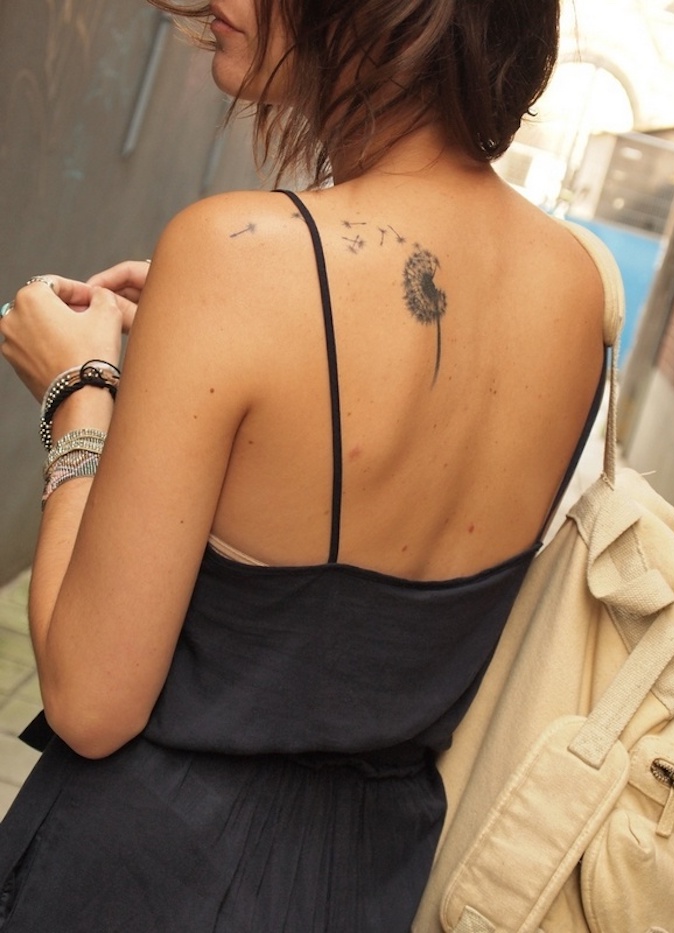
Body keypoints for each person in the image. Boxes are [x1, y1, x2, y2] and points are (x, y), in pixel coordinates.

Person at [0, 0, 606, 929]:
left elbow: (90, 699)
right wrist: (206, 341)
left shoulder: (236, 256)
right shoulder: (577, 288)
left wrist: (78, 391)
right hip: (369, 878)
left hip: (151, 874)